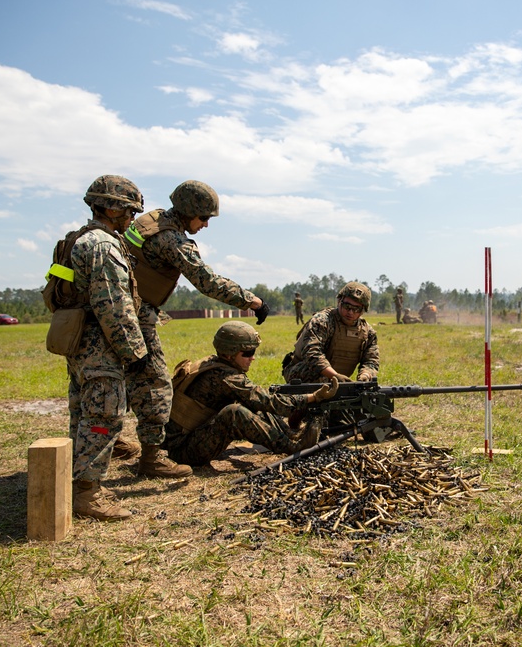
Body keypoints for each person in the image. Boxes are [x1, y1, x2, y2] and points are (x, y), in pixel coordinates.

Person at [118, 180, 270, 477]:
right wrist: (252, 301)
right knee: (157, 385)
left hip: (121, 311)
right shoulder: (171, 239)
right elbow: (206, 281)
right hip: (135, 316)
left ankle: (111, 444)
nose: (205, 225)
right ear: (189, 212)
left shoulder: (149, 221)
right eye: (204, 218)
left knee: (121, 383)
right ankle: (152, 458)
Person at [50, 174, 148, 521]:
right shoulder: (103, 246)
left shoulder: (77, 239)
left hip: (79, 342)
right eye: (128, 210)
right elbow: (114, 306)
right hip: (100, 344)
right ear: (109, 207)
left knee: (82, 413)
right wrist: (134, 351)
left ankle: (74, 482)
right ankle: (88, 495)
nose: (132, 217)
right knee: (104, 415)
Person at [162, 321, 337, 467]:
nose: (252, 358)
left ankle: (290, 435)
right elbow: (268, 402)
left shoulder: (213, 363)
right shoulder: (226, 377)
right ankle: (291, 446)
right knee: (235, 413)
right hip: (183, 451)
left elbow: (257, 400)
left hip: (183, 441)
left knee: (251, 402)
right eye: (248, 353)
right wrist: (313, 397)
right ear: (230, 354)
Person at [282, 281, 379, 432]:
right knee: (323, 385)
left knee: (345, 425)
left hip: (338, 382)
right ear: (339, 301)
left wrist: (365, 376)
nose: (350, 312)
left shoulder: (368, 332)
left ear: (363, 310)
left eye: (356, 309)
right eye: (347, 306)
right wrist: (335, 376)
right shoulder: (323, 320)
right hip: (304, 374)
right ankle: (301, 410)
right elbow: (312, 353)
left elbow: (371, 361)